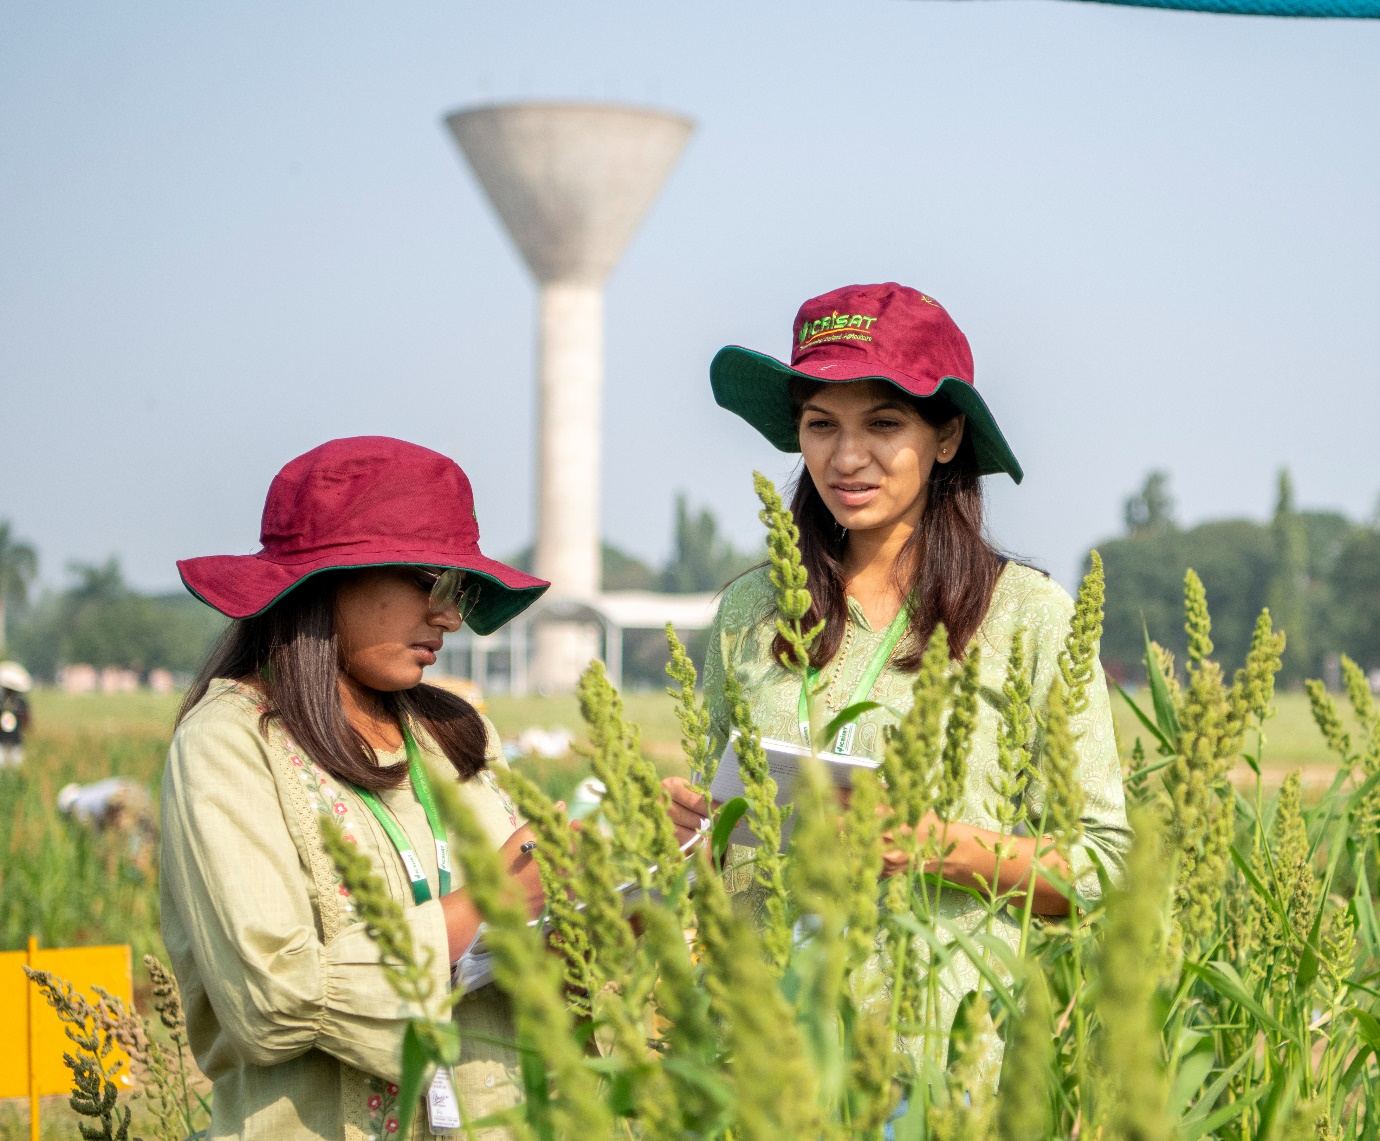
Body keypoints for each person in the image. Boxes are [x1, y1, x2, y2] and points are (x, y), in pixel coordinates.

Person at [664, 282, 1132, 1058]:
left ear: (946, 437)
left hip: (936, 1061)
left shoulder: (1028, 616)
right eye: (821, 425)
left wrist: (934, 845)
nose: (847, 458)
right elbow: (706, 833)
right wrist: (685, 823)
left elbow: (1103, 865)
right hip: (761, 1049)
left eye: (883, 423)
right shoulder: (752, 608)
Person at [161, 436, 551, 1140]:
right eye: (433, 582)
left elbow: (523, 967)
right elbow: (273, 998)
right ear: (329, 580)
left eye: (459, 590)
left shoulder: (455, 733)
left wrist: (586, 923)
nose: (451, 617)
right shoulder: (231, 744)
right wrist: (485, 901)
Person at [0, 660, 32, 768]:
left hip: (16, 739)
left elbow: (27, 721)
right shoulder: (1, 701)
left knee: (16, 766)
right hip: (1, 738)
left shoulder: (21, 703)